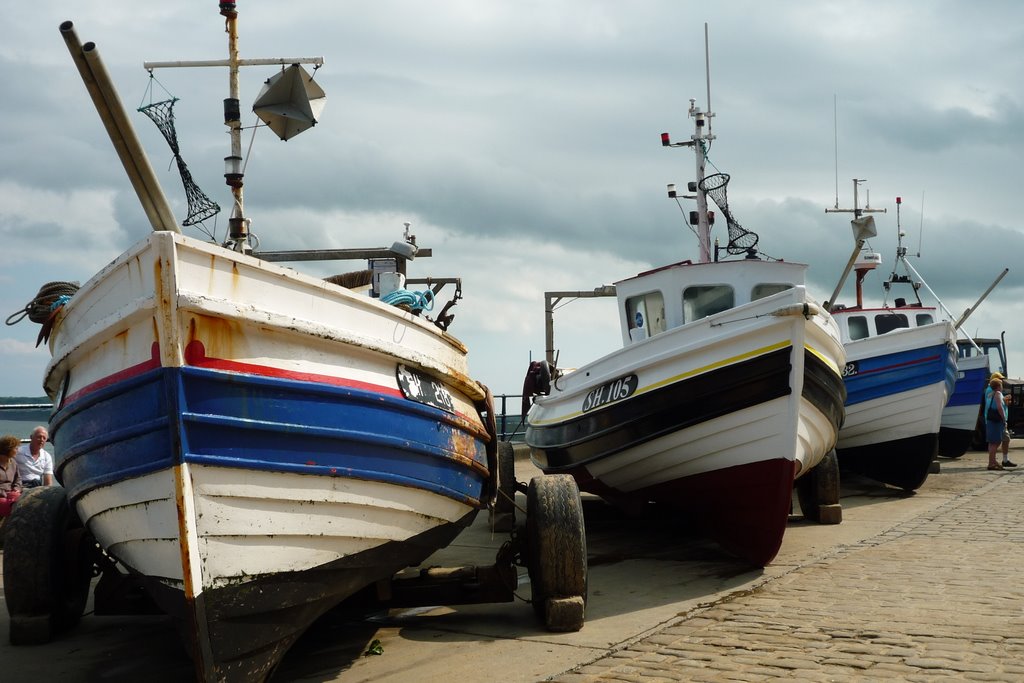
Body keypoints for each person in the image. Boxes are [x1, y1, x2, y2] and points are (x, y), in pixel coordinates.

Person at [985, 373, 1016, 468]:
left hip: (991, 420)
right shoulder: (997, 393)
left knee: (993, 442)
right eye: (1000, 381)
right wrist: (1004, 419)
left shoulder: (991, 392)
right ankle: (992, 463)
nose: (1002, 382)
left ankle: (993, 462)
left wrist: (1004, 400)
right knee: (996, 442)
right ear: (998, 385)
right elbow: (999, 407)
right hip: (997, 421)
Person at [0, 434, 24, 520]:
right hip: (2, 495)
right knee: (7, 505)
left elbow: (18, 479)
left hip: (11, 494)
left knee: (24, 501)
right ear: (8, 449)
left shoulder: (13, 463)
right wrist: (4, 494)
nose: (18, 451)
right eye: (16, 448)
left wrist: (16, 488)